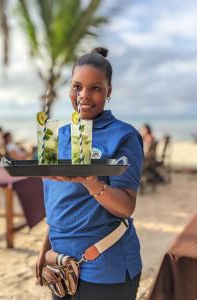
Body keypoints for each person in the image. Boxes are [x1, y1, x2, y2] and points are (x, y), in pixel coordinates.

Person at [36, 47, 144, 300]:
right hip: (61, 265)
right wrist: (45, 249)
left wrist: (90, 182)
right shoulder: (57, 136)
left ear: (109, 92)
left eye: (95, 88)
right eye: (77, 87)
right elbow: (58, 203)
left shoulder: (123, 136)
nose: (84, 96)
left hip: (106, 264)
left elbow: (126, 207)